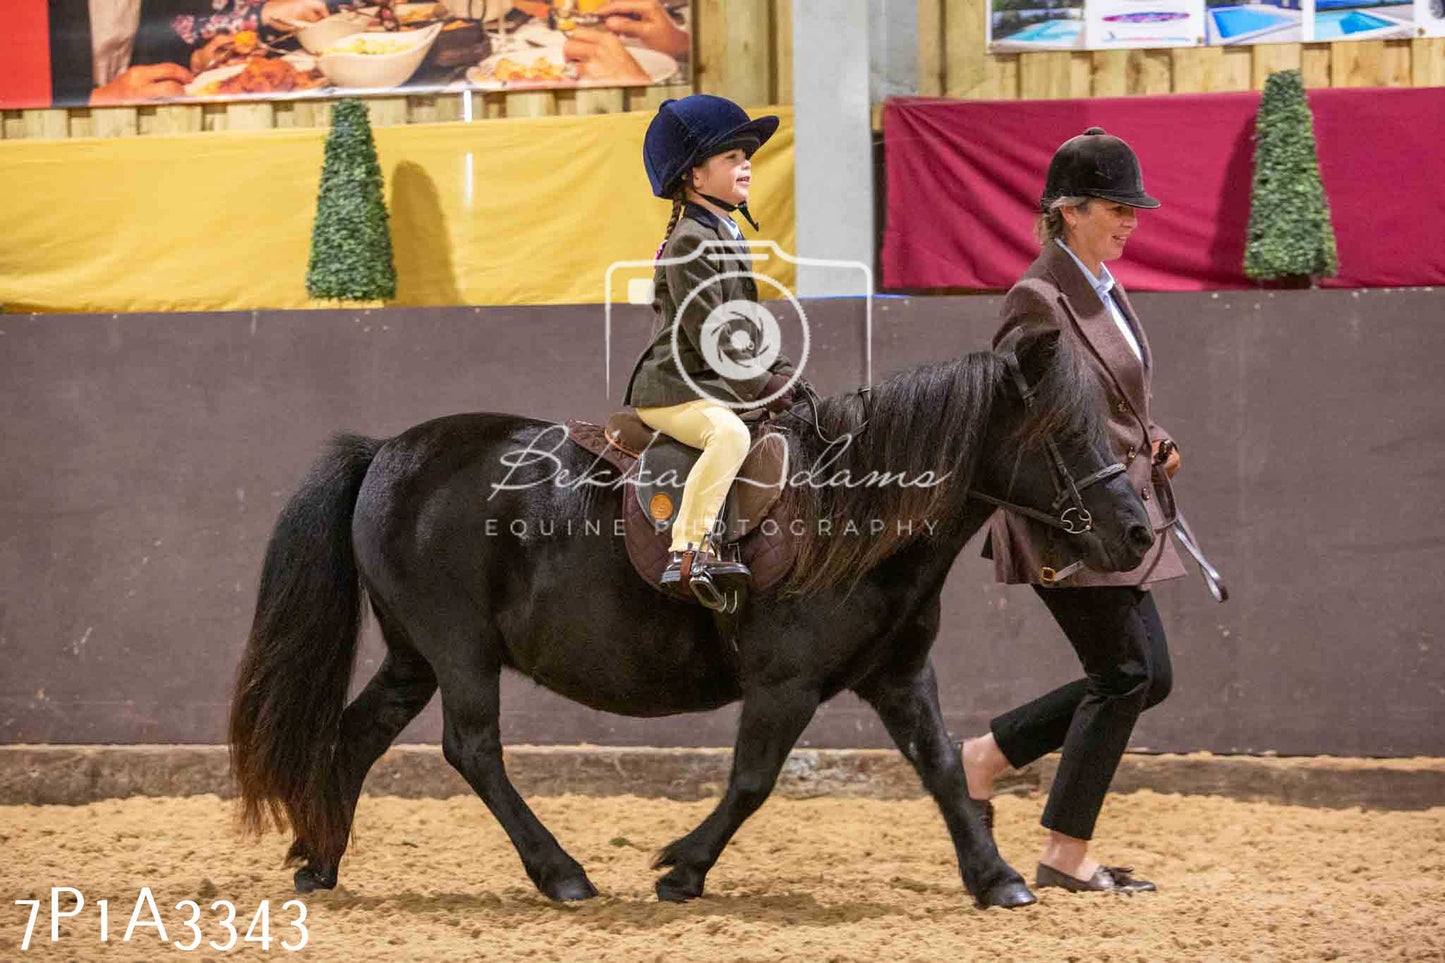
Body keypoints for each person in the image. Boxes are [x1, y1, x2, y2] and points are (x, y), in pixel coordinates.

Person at [963, 127, 1187, 894]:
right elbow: (1019, 417)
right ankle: (1063, 850)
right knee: (1126, 671)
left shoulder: (1102, 286)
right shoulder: (1038, 297)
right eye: (1115, 207)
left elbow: (1116, 400)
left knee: (1144, 676)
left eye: (1132, 209)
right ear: (1068, 209)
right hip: (1068, 517)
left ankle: (988, 756)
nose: (1130, 221)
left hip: (1120, 505)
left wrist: (1151, 440)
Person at [622, 94, 795, 609]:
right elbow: (712, 334)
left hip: (712, 382)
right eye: (731, 158)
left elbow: (744, 322)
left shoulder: (726, 231)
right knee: (729, 435)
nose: (746, 166)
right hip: (676, 387)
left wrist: (783, 371)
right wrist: (759, 385)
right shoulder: (690, 243)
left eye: (747, 156)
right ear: (696, 177)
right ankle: (690, 550)